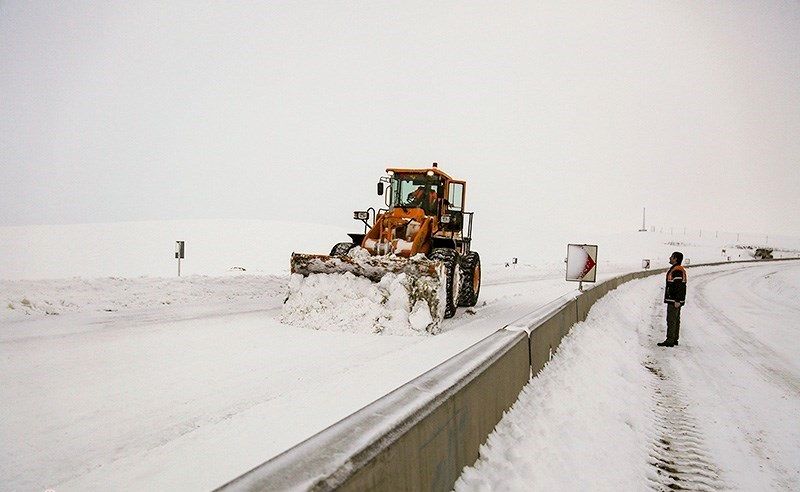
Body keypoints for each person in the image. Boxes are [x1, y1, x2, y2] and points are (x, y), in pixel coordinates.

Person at [658, 251, 687, 347]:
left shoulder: (677, 270)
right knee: (675, 319)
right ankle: (674, 339)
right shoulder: (677, 269)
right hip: (675, 300)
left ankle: (670, 340)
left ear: (675, 259)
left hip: (674, 300)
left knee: (671, 320)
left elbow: (679, 286)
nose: (669, 258)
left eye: (671, 257)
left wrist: (677, 300)